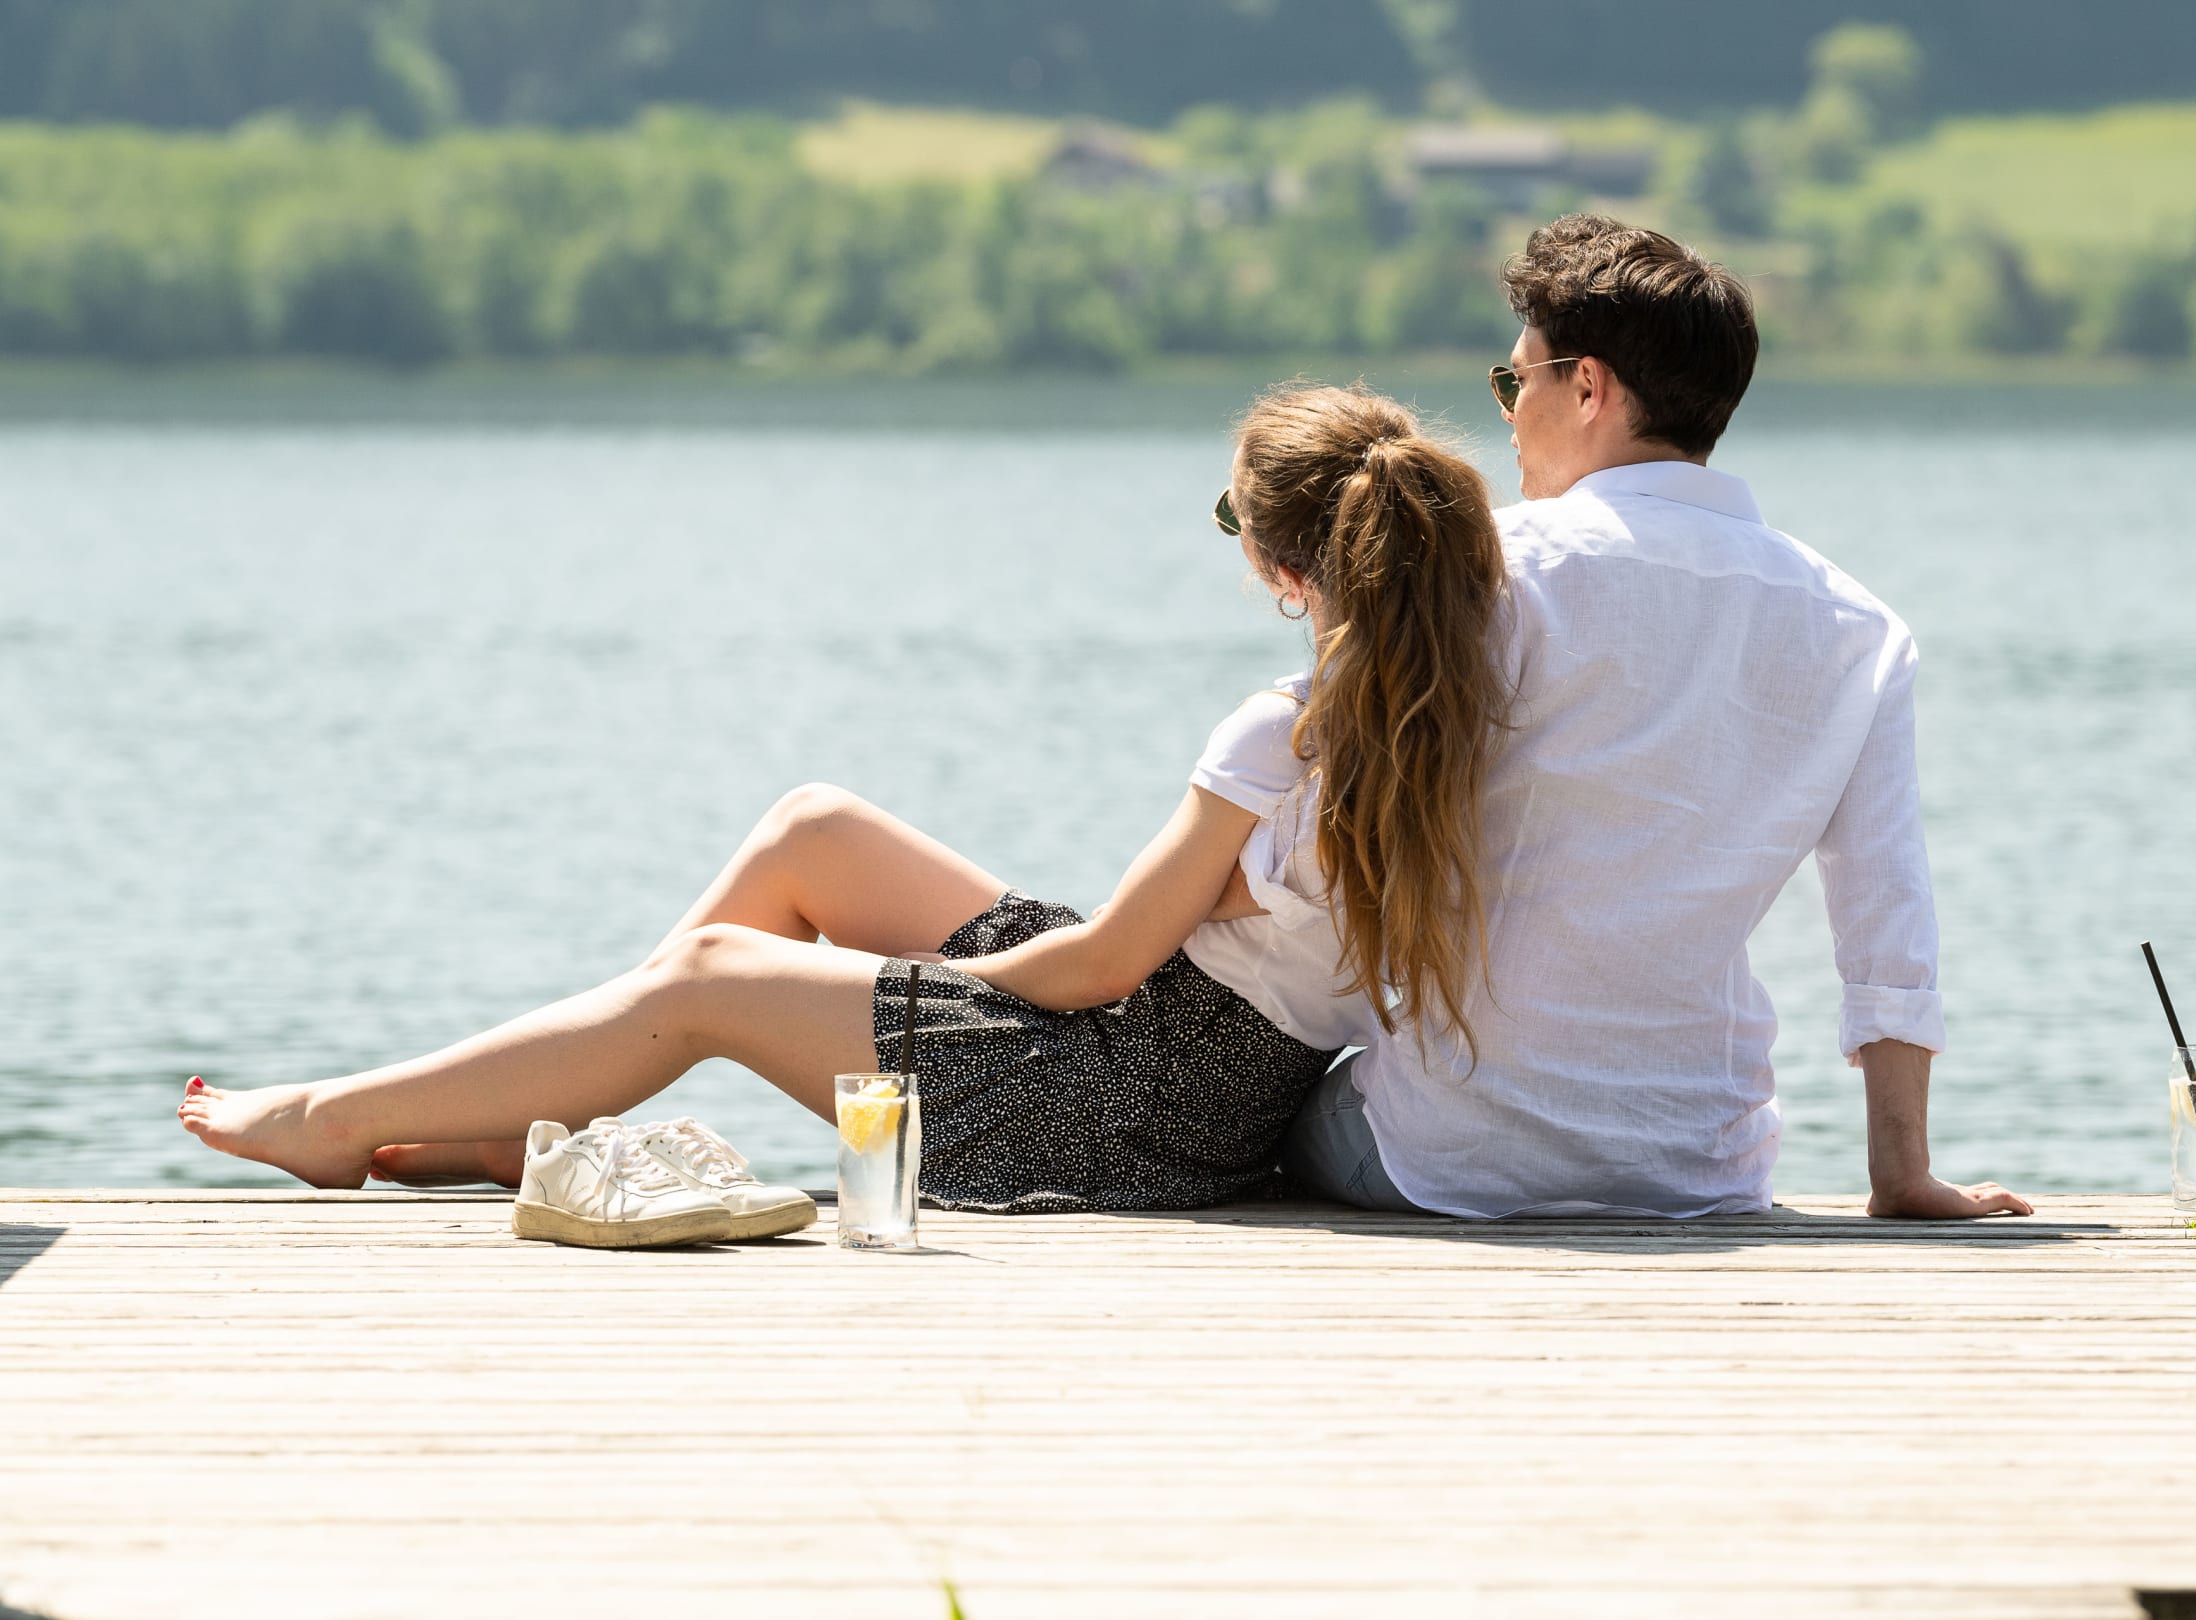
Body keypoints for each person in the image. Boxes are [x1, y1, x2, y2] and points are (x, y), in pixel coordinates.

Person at [177, 384, 1507, 1215]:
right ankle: (549, 1115)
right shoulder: (1450, 710)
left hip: (1125, 1111)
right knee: (815, 829)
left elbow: (1105, 964)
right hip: (1193, 1081)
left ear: (1280, 567)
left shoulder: (1281, 730)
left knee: (712, 972)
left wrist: (935, 987)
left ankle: (340, 1119)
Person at [1274, 215, 2032, 1222]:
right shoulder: (1858, 627)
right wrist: (1902, 1174)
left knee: (1264, 1118)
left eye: (1515, 382)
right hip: (1697, 1163)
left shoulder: (1488, 572)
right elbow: (1887, 915)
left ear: (1587, 388)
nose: (1508, 414)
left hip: (1456, 1152)